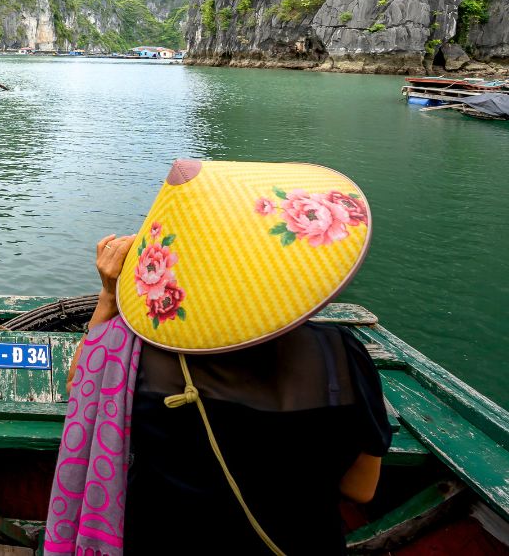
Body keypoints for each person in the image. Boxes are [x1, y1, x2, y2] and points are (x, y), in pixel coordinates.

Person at [46, 159, 390, 556]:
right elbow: (360, 489)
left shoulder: (134, 348)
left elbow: (80, 388)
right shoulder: (341, 355)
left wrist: (109, 296)